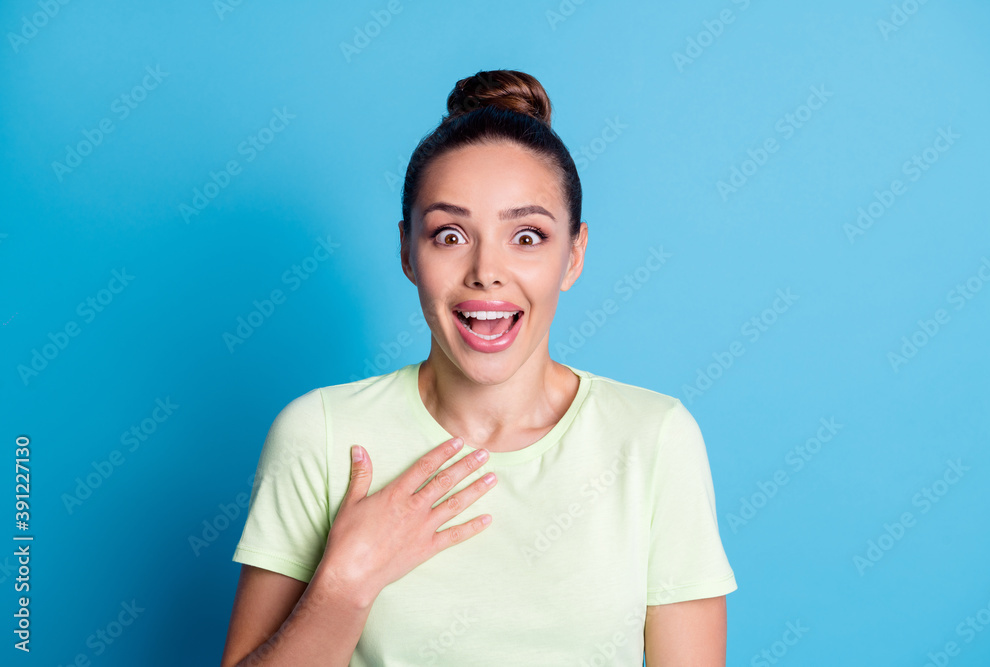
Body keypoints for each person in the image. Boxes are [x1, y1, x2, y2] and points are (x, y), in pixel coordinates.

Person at [220, 69, 736, 666]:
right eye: (449, 234)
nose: (486, 270)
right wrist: (346, 583)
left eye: (526, 236)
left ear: (574, 254)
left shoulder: (654, 438)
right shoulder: (321, 434)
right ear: (408, 252)